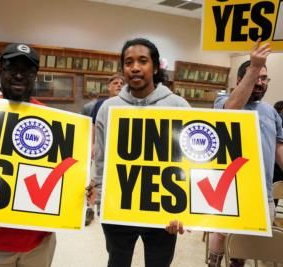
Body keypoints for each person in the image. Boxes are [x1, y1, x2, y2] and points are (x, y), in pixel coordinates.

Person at [89, 38, 187, 267]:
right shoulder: (109, 107)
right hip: (118, 207)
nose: (134, 67)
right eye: (128, 62)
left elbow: (186, 162)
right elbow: (101, 159)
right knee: (117, 262)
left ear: (154, 67)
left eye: (142, 61)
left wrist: (183, 209)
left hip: (163, 209)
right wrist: (103, 201)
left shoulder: (178, 106)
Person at [0, 43, 56, 267]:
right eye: (11, 68)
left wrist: (80, 188)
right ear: (0, 72)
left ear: (35, 75)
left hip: (39, 241)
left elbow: (59, 171)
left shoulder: (51, 119)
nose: (19, 75)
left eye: (27, 70)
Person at [208, 39, 283, 267]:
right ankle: (213, 262)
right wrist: (254, 66)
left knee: (247, 241)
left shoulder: (270, 111)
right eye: (255, 77)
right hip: (227, 189)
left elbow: (279, 146)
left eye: (264, 78)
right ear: (240, 79)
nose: (260, 83)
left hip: (262, 192)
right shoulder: (224, 101)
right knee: (221, 236)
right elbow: (231, 111)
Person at [85, 73, 125, 226]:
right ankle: (90, 208)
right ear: (108, 87)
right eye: (115, 82)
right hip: (102, 148)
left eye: (122, 83)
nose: (119, 85)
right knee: (94, 179)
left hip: (118, 150)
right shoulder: (100, 104)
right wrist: (93, 144)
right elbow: (94, 125)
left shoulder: (128, 105)